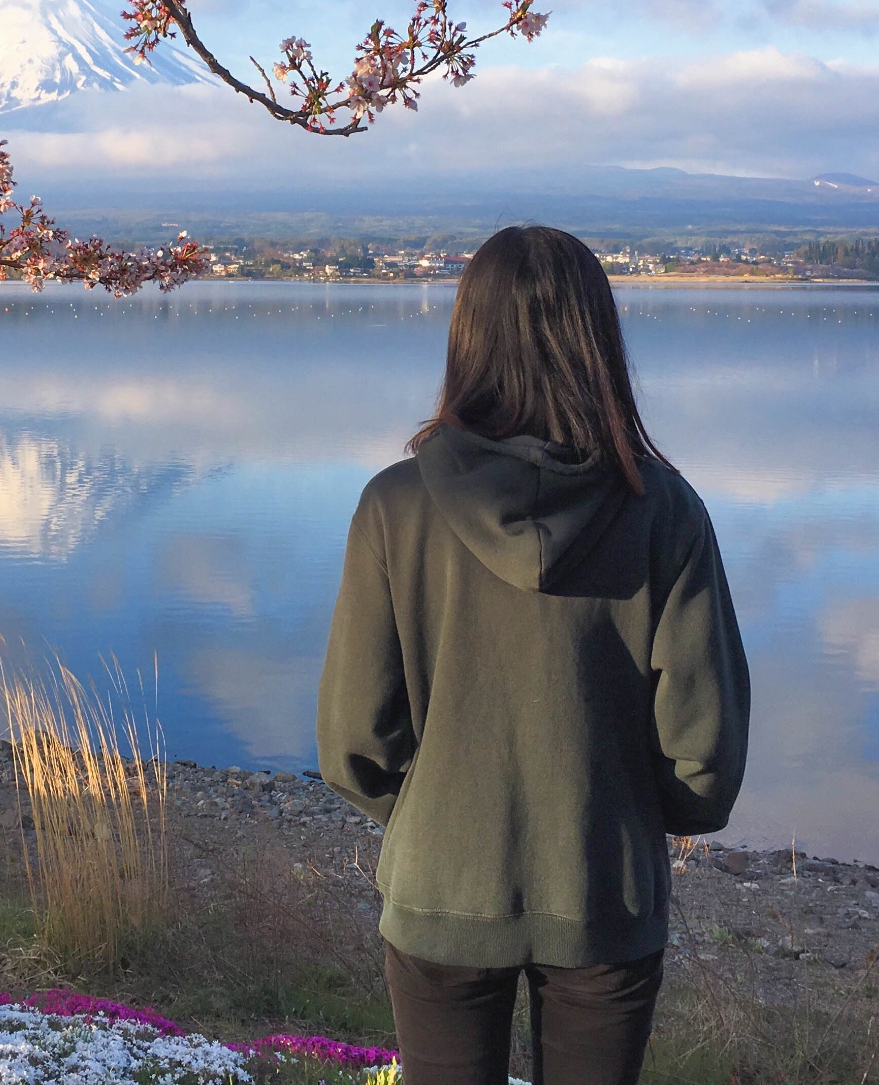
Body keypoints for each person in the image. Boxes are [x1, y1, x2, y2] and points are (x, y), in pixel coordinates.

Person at [317, 225, 751, 1085]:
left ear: (467, 337)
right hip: (605, 891)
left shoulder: (395, 507)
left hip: (441, 884)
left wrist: (434, 818)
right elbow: (707, 750)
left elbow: (356, 744)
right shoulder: (665, 512)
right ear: (597, 342)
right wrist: (627, 817)